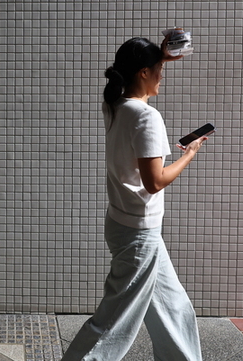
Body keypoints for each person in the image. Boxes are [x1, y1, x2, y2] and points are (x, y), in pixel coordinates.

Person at [61, 35, 209, 361]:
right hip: (139, 235)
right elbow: (154, 182)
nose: (163, 75)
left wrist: (161, 57)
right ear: (143, 72)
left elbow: (134, 77)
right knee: (112, 325)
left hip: (126, 225)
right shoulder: (146, 117)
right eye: (158, 70)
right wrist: (190, 154)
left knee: (175, 309)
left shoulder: (114, 104)